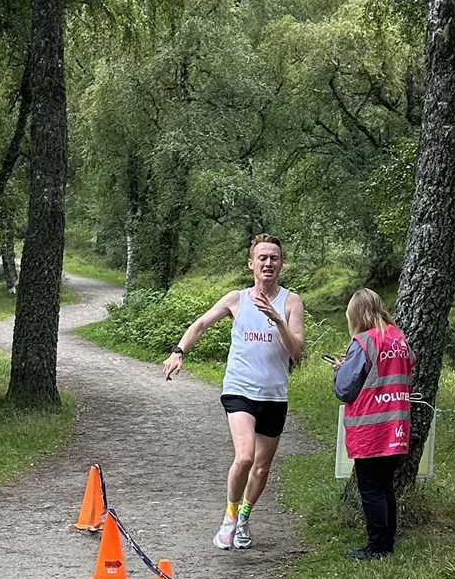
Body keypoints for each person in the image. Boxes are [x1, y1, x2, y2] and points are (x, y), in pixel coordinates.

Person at [162, 234, 305, 550]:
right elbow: (200, 324)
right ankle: (228, 517)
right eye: (262, 258)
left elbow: (297, 353)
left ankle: (244, 517)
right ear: (251, 263)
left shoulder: (291, 302)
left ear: (281, 264)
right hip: (239, 390)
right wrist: (178, 351)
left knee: (262, 467)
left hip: (274, 395)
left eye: (274, 258)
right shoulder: (236, 299)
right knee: (245, 457)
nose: (268, 263)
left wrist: (278, 320)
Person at [331, 288, 415, 560]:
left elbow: (345, 388)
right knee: (386, 484)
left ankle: (378, 547)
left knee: (371, 488)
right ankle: (387, 541)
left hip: (371, 427)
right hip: (397, 424)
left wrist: (340, 370)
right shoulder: (397, 338)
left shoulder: (363, 341)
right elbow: (407, 364)